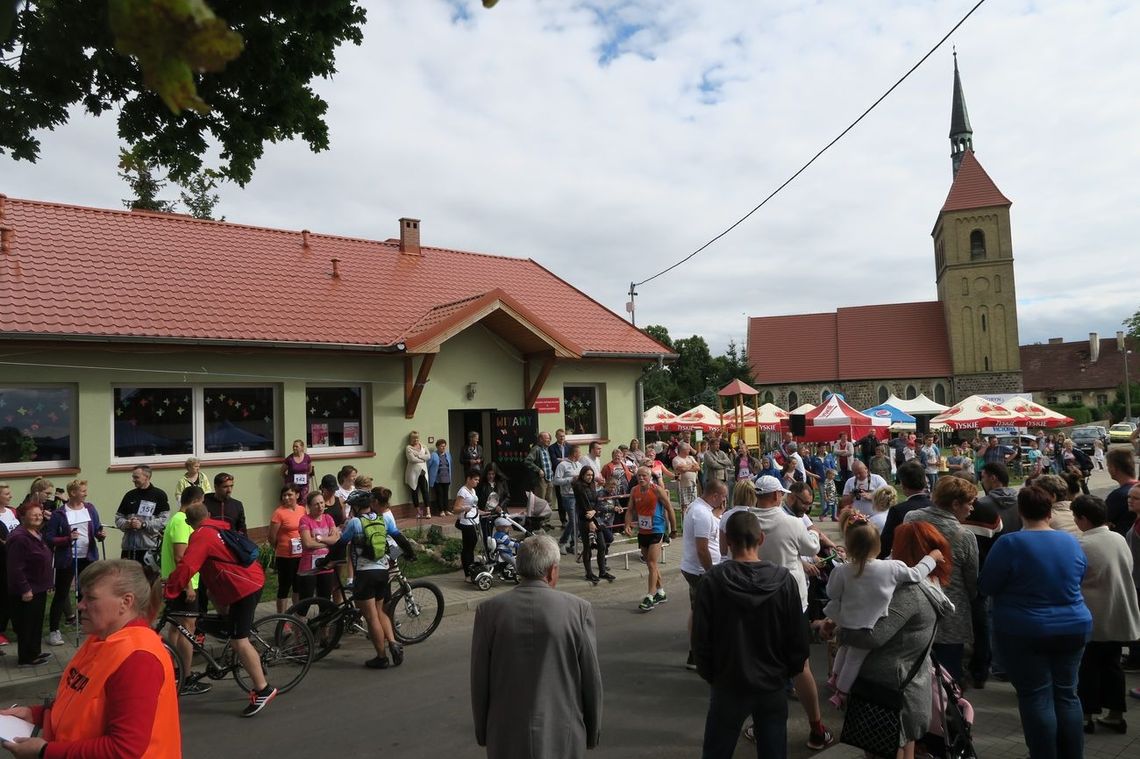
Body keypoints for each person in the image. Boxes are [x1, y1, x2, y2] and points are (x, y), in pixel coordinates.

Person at [0, 560, 181, 758]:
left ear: (126, 602)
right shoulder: (101, 639)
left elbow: (124, 749)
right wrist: (35, 715)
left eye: (91, 598)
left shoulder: (138, 658)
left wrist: (44, 751)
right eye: (81, 596)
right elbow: (82, 704)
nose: (80, 605)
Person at [980, 484, 1091, 759]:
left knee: (1035, 696)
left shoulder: (1010, 543)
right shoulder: (1070, 541)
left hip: (1024, 630)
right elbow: (1079, 576)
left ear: (1020, 512)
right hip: (1073, 625)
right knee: (1067, 694)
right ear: (1050, 512)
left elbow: (987, 585)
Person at [828, 521, 955, 759]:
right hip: (907, 684)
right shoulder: (925, 584)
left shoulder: (909, 593)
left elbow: (874, 637)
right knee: (904, 744)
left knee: (884, 749)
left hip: (887, 689)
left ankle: (839, 688)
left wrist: (841, 631)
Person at [724, 475, 833, 751]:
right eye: (781, 494)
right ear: (775, 496)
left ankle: (761, 725)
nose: (783, 498)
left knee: (761, 664)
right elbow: (813, 546)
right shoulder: (791, 522)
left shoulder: (744, 520)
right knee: (800, 666)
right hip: (790, 598)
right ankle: (816, 728)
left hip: (754, 600)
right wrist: (810, 532)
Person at [470, 535, 602, 759]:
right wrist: (592, 731)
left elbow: (479, 680)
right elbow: (591, 680)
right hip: (563, 733)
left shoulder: (488, 612)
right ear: (552, 571)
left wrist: (483, 731)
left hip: (506, 734)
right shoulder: (578, 610)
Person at [692, 510, 810, 759]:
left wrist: (712, 674)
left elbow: (701, 638)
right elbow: (798, 638)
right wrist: (787, 672)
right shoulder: (784, 581)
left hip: (728, 683)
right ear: (761, 539)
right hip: (772, 683)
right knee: (774, 749)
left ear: (728, 542)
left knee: (716, 750)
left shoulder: (712, 581)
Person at [164, 503, 277, 717]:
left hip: (244, 586)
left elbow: (188, 566)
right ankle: (241, 643)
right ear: (208, 515)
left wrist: (170, 590)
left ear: (188, 523)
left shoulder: (202, 536)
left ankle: (263, 688)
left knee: (238, 640)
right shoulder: (217, 527)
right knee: (222, 624)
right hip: (236, 584)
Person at [823, 512, 940, 709]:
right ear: (878, 546)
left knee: (844, 650)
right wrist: (931, 558)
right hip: (870, 626)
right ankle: (841, 693)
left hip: (846, 623)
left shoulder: (842, 570)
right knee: (854, 659)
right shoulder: (892, 567)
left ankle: (834, 677)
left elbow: (831, 593)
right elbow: (916, 574)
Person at [1072, 494, 1140, 733]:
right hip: (1119, 613)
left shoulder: (1082, 545)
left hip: (1094, 616)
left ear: (1083, 518)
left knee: (1088, 667)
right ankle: (1116, 714)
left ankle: (1086, 716)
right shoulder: (1119, 538)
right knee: (1112, 666)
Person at [902, 476, 979, 680]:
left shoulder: (911, 518)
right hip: (950, 612)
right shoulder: (965, 535)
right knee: (949, 673)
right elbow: (972, 578)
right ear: (955, 504)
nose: (972, 509)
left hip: (913, 605)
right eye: (970, 504)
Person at [336, 487, 413, 669]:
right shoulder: (382, 519)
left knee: (371, 618)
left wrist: (326, 560)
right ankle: (393, 643)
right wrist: (410, 553)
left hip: (365, 574)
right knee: (380, 612)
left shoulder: (355, 523)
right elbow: (399, 537)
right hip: (382, 573)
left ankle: (381, 657)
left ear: (355, 507)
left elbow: (341, 543)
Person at [44, 479, 106, 647]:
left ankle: (90, 624)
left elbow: (97, 528)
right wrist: (67, 538)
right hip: (68, 557)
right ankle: (54, 631)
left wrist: (100, 535)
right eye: (82, 490)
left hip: (89, 556)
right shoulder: (59, 514)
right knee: (62, 593)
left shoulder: (90, 509)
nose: (86, 493)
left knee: (89, 592)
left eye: (85, 490)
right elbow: (49, 538)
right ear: (72, 493)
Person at [161, 489, 209, 695]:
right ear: (196, 502)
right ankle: (186, 676)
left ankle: (173, 671)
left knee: (176, 629)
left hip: (176, 582)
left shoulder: (175, 519)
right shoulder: (182, 522)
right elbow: (181, 557)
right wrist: (189, 585)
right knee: (188, 629)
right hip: (183, 584)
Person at [681, 479, 726, 670]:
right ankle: (700, 655)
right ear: (714, 495)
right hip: (700, 571)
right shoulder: (701, 513)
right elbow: (702, 549)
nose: (724, 501)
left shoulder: (701, 509)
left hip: (696, 569)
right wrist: (711, 573)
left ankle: (696, 653)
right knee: (705, 614)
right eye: (723, 497)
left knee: (697, 610)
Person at [6, 501, 53, 667]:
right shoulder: (19, 538)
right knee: (27, 624)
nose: (38, 517)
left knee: (35, 622)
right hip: (26, 590)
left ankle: (34, 652)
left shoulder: (34, 532)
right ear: (23, 516)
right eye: (34, 515)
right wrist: (25, 589)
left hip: (38, 587)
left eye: (40, 514)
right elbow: (15, 568)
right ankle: (25, 658)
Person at [625, 465, 676, 612]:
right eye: (639, 476)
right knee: (650, 564)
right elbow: (630, 510)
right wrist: (627, 524)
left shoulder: (656, 490)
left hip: (657, 530)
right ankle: (661, 592)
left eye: (644, 476)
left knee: (652, 563)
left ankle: (649, 596)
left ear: (649, 477)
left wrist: (674, 529)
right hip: (643, 531)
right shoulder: (634, 490)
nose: (641, 478)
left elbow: (670, 508)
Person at [114, 465, 170, 568]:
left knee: (149, 581)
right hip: (129, 548)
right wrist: (127, 524)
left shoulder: (159, 495)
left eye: (136, 477)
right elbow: (118, 518)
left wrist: (144, 524)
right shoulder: (129, 495)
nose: (133, 480)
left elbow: (164, 520)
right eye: (133, 477)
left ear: (147, 477)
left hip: (150, 548)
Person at [878, 461, 934, 560]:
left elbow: (886, 543)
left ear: (903, 485)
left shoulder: (898, 510)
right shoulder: (936, 507)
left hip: (908, 563)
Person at [268, 485, 305, 613]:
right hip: (285, 556)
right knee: (284, 587)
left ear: (297, 495)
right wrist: (279, 547)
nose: (287, 497)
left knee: (298, 586)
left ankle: (297, 614)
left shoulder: (302, 510)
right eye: (284, 495)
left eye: (290, 494)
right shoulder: (279, 513)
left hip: (300, 554)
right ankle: (282, 618)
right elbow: (271, 536)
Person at [297, 491, 340, 600]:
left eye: (321, 503)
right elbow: (307, 543)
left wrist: (320, 538)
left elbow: (336, 539)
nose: (320, 506)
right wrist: (327, 543)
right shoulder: (305, 520)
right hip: (309, 567)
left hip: (326, 566)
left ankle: (324, 617)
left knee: (325, 600)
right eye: (316, 504)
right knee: (305, 602)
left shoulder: (328, 518)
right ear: (309, 506)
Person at [572, 468, 607, 583]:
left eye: (592, 475)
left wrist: (594, 512)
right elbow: (583, 504)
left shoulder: (592, 485)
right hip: (585, 519)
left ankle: (602, 571)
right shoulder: (578, 486)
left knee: (602, 545)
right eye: (587, 475)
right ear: (582, 475)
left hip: (594, 517)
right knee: (587, 547)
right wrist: (591, 520)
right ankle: (589, 573)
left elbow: (597, 502)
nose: (590, 477)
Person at [553, 445, 585, 555]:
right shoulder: (562, 465)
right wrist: (571, 479)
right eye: (579, 452)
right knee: (573, 521)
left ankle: (573, 544)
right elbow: (556, 481)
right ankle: (562, 542)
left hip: (578, 495)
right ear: (574, 453)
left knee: (577, 521)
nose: (580, 454)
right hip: (568, 496)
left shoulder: (580, 465)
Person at [454, 469, 483, 580]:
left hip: (474, 521)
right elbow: (455, 509)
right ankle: (467, 574)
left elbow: (474, 507)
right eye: (475, 479)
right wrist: (464, 508)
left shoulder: (473, 491)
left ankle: (472, 571)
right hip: (466, 522)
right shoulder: (463, 491)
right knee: (467, 548)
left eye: (478, 480)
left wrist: (482, 512)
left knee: (472, 548)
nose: (477, 482)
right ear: (468, 479)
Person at [0, 482, 19, 647]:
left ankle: (15, 627)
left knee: (13, 596)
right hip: (2, 562)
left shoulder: (12, 511)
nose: (10, 496)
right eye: (6, 494)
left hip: (16, 560)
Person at [1105, 448, 1138, 536]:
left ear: (1114, 468)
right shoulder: (1137, 489)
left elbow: (1100, 522)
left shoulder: (1118, 496)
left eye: (1108, 466)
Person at [525, 432, 556, 507]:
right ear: (540, 439)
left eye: (550, 439)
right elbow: (527, 461)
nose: (549, 440)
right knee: (540, 502)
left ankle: (547, 518)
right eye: (547, 438)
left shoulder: (547, 449)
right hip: (541, 480)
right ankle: (540, 518)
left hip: (549, 479)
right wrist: (538, 470)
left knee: (549, 502)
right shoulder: (536, 449)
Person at [405, 430, 432, 517]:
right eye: (414, 438)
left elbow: (429, 456)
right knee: (414, 491)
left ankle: (428, 511)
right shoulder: (408, 448)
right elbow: (412, 459)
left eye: (417, 438)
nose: (416, 440)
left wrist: (419, 456)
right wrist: (423, 459)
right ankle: (418, 512)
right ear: (411, 439)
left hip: (423, 473)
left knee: (425, 491)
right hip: (413, 473)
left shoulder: (423, 446)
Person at [424, 438, 453, 518]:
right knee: (439, 495)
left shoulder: (448, 454)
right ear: (437, 447)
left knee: (446, 495)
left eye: (444, 446)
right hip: (437, 479)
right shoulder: (433, 455)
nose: (443, 448)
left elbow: (450, 465)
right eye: (441, 446)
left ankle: (446, 509)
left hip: (446, 478)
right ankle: (441, 511)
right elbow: (428, 465)